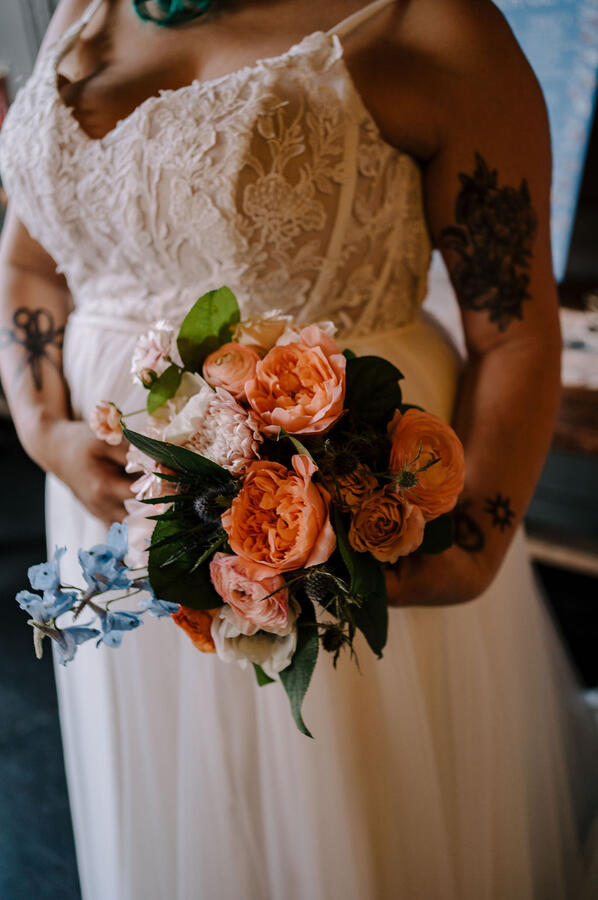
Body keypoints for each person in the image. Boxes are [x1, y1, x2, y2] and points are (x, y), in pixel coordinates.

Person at [0, 0, 597, 896]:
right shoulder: (83, 11)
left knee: (361, 816)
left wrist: (472, 545)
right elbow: (31, 264)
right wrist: (43, 428)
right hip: (113, 515)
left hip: (334, 508)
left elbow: (513, 330)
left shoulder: (432, 25)